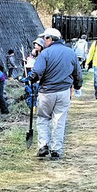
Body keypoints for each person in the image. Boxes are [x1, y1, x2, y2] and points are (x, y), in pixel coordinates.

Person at [27, 28, 83, 160]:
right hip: (63, 92)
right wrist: (77, 86)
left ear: (50, 39)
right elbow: (77, 73)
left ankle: (43, 145)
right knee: (59, 120)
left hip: (46, 92)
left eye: (45, 38)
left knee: (43, 118)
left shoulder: (45, 54)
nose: (44, 41)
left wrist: (30, 78)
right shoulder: (70, 53)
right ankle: (56, 150)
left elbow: (37, 72)